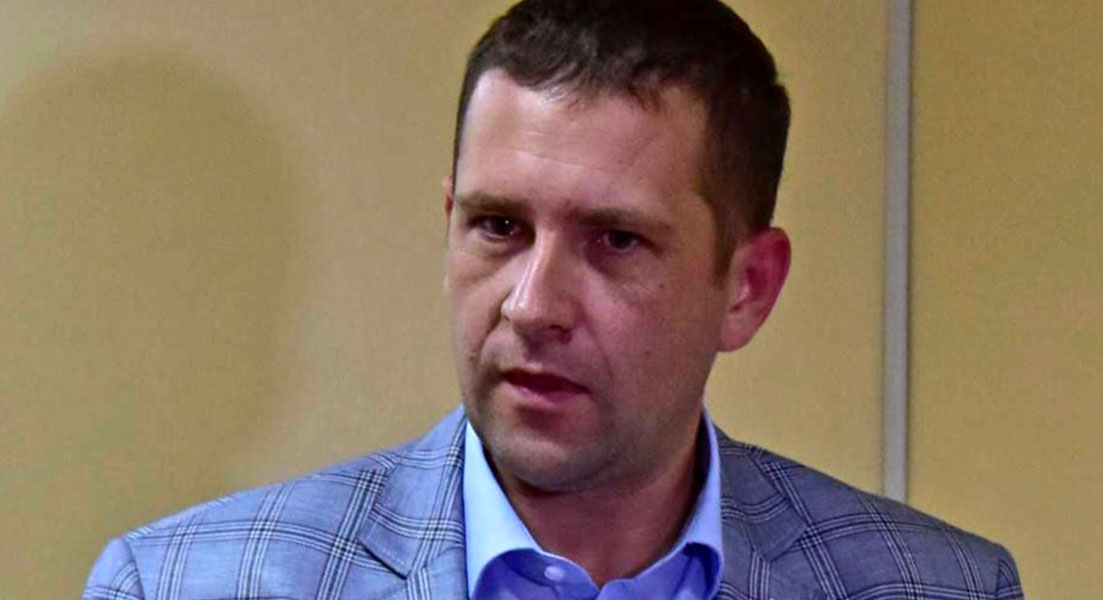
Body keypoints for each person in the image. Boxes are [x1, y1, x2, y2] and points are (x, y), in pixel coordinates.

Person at [82, 0, 1024, 598]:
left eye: (615, 241)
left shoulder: (937, 588)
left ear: (748, 287)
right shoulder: (180, 585)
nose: (532, 306)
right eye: (498, 227)